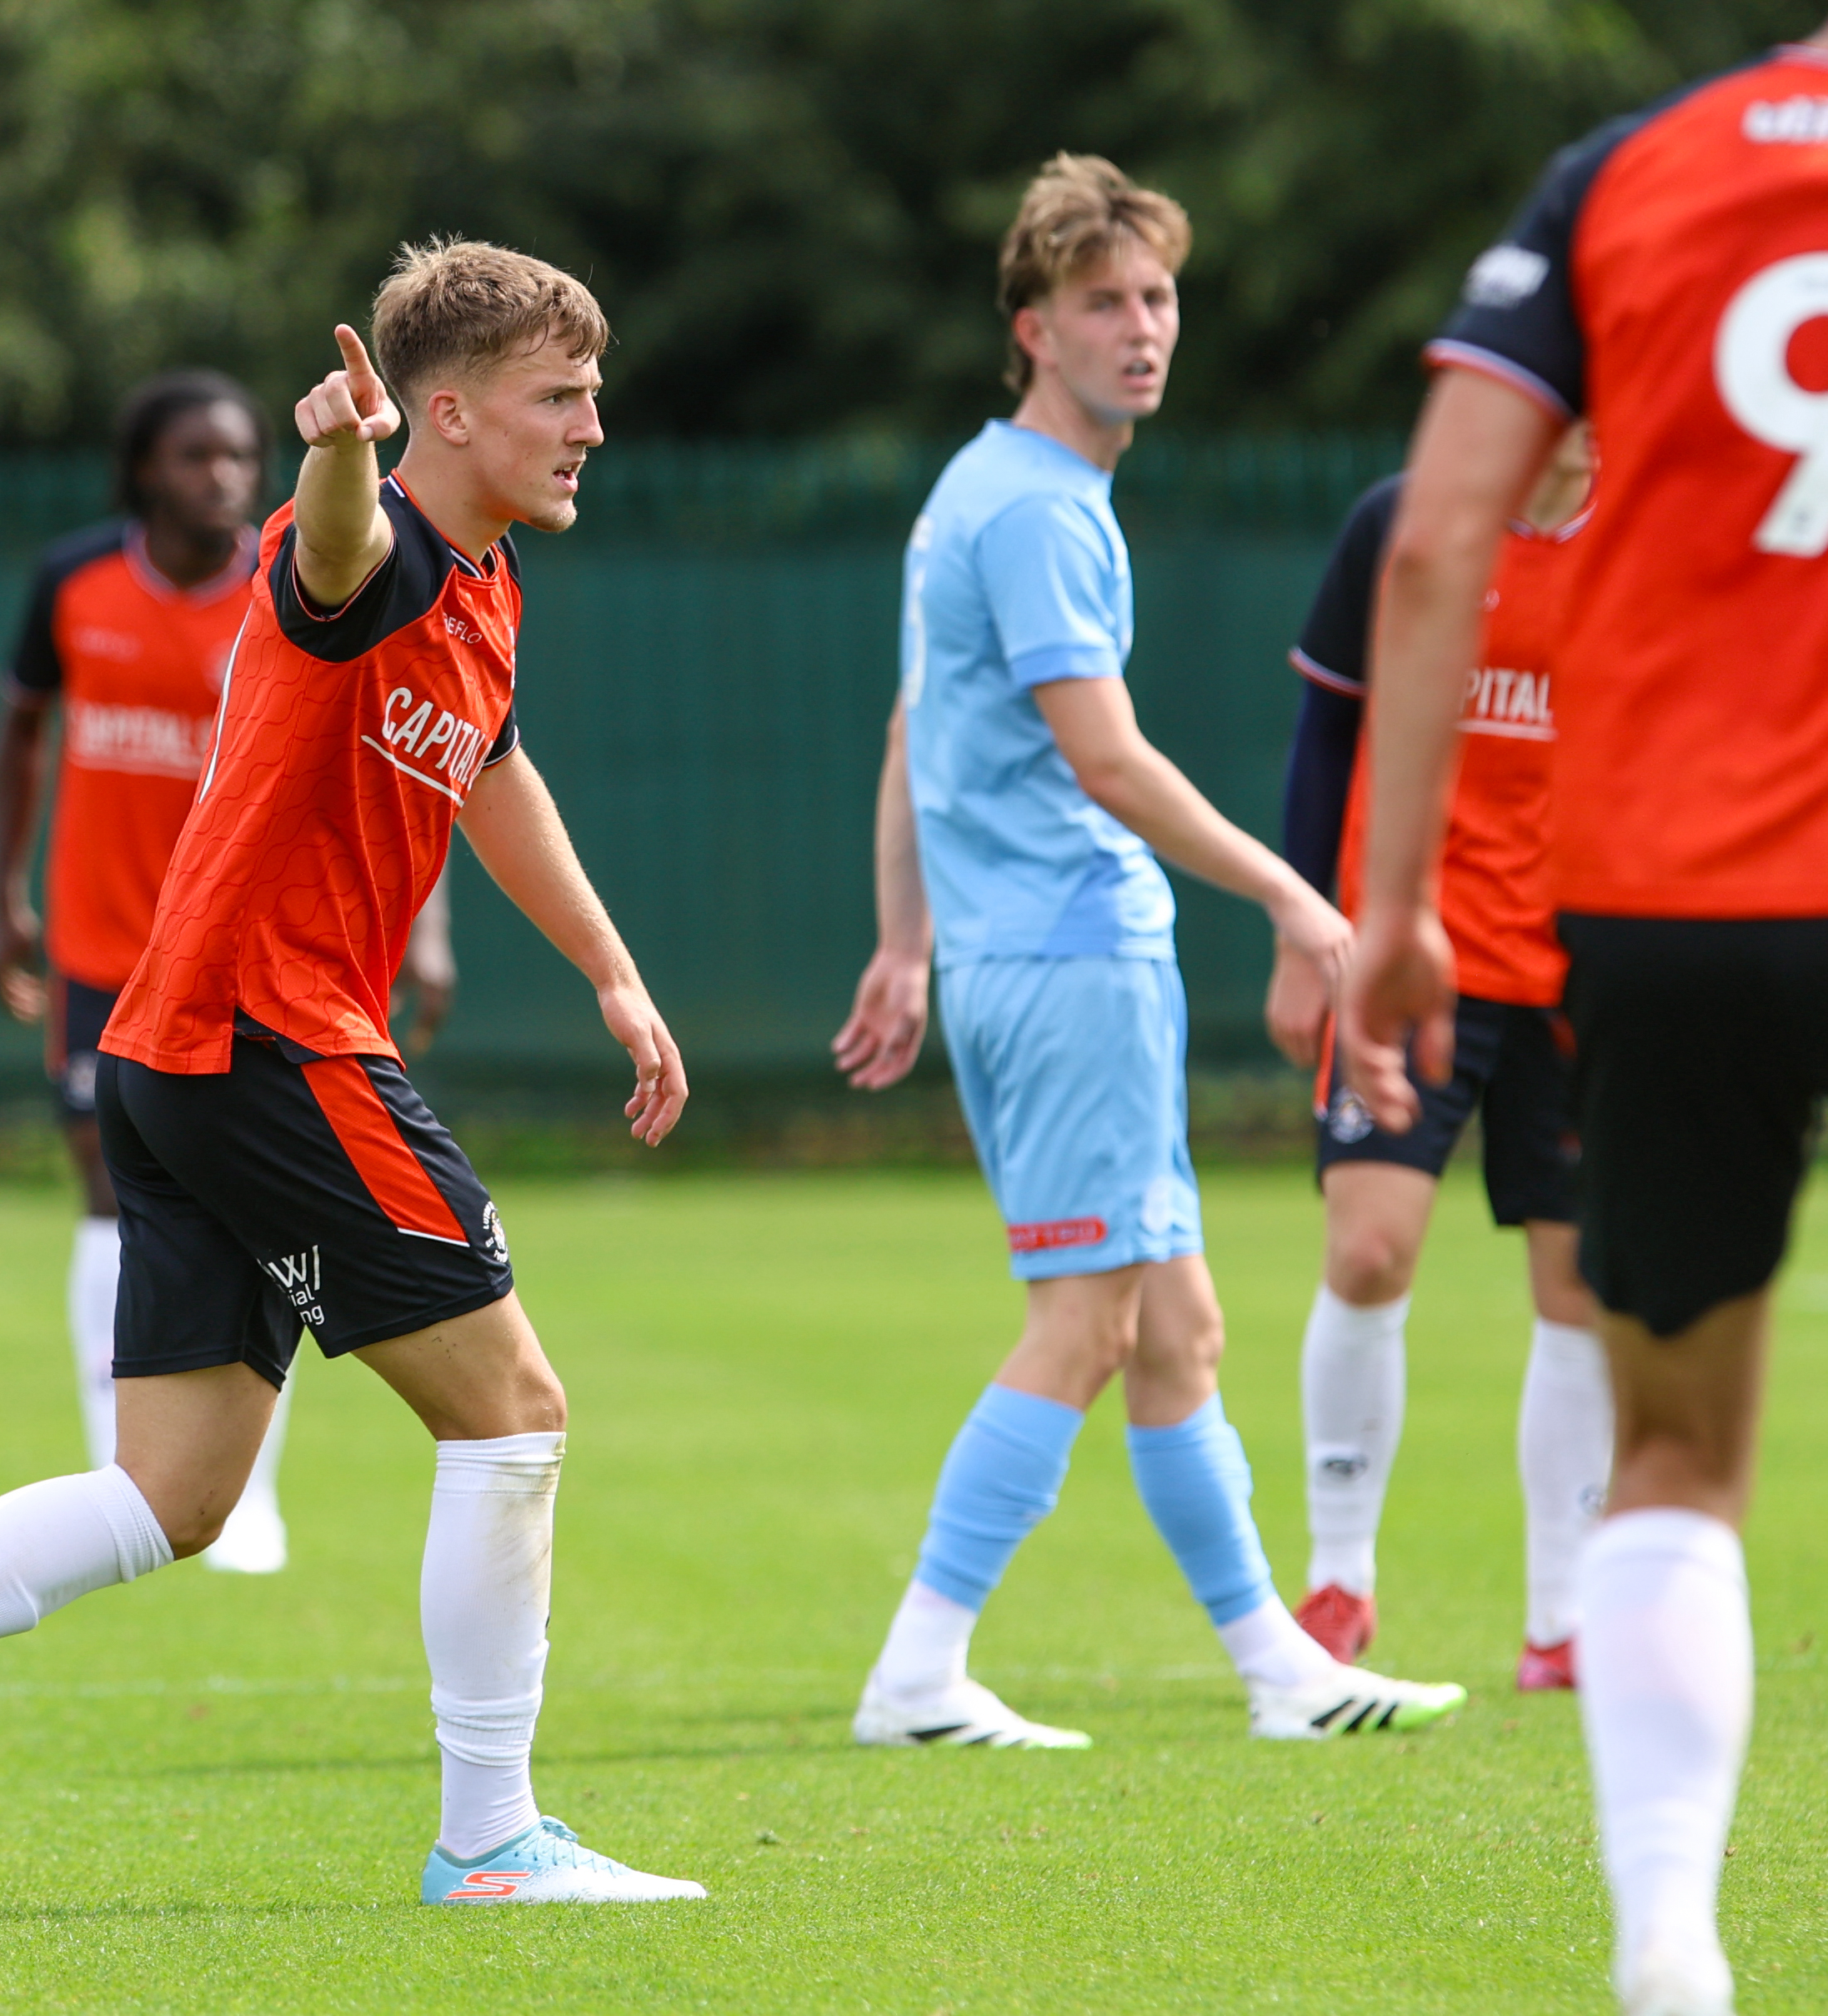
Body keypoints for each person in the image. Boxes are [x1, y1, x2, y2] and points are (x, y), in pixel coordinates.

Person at [0, 239, 705, 1912]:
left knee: (170, 1494)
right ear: (440, 413)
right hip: (268, 1040)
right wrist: (332, 449)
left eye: (591, 394)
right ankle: (488, 1840)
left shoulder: (477, 589)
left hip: (180, 1053)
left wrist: (609, 971)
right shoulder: (373, 547)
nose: (589, 426)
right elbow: (331, 548)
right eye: (559, 396)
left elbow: (494, 770)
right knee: (513, 1411)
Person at [830, 154, 1465, 1750]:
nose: (1142, 327)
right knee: (1090, 1321)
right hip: (1069, 958)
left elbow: (919, 724)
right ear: (1032, 325)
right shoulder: (1038, 507)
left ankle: (1278, 1668)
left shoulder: (986, 488)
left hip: (1034, 954)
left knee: (1178, 1329)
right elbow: (1104, 758)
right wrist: (1295, 895)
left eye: (1159, 297)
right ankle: (919, 1665)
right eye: (1105, 301)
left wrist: (905, 942)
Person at [1341, 29, 1828, 2015]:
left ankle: (1667, 1947)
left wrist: (1384, 907)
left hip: (1682, 883)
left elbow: (1440, 534)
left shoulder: (1628, 174)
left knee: (1677, 1461)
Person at [0, 371, 459, 1572]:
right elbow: (20, 729)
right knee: (102, 1182)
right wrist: (6, 894)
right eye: (197, 456)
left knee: (264, 1201)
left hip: (249, 957)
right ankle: (125, 1465)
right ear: (146, 468)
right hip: (106, 946)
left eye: (242, 455)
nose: (225, 477)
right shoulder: (74, 583)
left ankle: (245, 1494)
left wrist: (432, 929)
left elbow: (406, 745)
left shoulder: (305, 580)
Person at [1279, 424, 1607, 1689]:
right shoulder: (1407, 524)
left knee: (1579, 1283)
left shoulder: (1645, 534)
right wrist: (1307, 935)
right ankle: (1339, 1583)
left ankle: (1561, 1618)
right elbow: (1325, 729)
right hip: (1410, 952)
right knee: (1369, 1250)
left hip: (1578, 965)